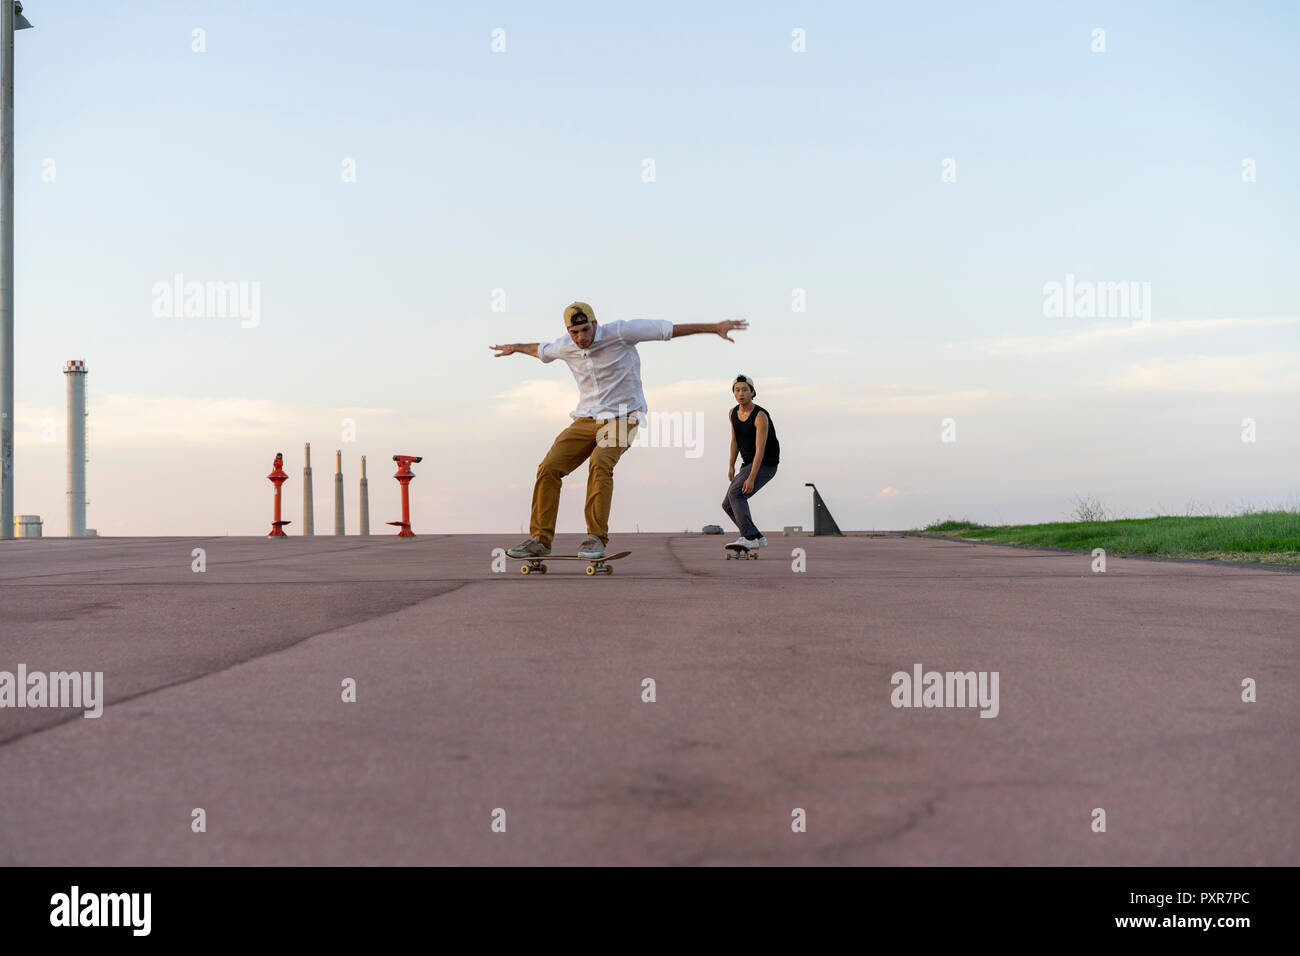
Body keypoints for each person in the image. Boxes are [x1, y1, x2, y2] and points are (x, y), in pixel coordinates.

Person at [491, 302, 748, 559]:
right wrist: (515, 348)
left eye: (584, 330)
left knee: (600, 462)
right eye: (574, 332)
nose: (581, 338)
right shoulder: (565, 345)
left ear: (595, 324)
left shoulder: (622, 332)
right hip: (586, 420)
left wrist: (714, 328)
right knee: (548, 467)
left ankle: (595, 537)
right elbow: (541, 350)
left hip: (626, 417)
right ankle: (540, 540)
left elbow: (667, 330)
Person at [722, 374, 779, 550]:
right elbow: (734, 440)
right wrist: (731, 465)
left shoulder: (760, 416)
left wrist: (752, 477)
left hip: (766, 464)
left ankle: (748, 537)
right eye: (737, 390)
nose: (741, 393)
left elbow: (760, 450)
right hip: (748, 464)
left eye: (745, 390)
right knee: (727, 504)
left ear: (753, 392)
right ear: (733, 393)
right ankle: (756, 536)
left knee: (736, 494)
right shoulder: (733, 413)